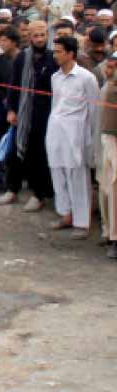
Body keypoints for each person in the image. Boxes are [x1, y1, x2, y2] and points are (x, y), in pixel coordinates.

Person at [0, 21, 57, 210]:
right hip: (22, 115)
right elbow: (14, 86)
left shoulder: (53, 58)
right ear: (29, 37)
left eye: (43, 35)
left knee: (38, 156)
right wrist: (11, 110)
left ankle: (38, 194)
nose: (40, 39)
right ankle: (12, 189)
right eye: (36, 35)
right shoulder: (23, 57)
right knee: (14, 154)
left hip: (44, 115)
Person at [46, 36, 100, 239]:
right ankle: (65, 213)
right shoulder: (55, 77)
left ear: (71, 54)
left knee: (77, 176)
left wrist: (91, 140)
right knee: (57, 172)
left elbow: (94, 111)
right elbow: (56, 106)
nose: (55, 55)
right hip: (56, 130)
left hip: (76, 133)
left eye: (59, 51)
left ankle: (82, 222)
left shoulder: (86, 78)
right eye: (55, 51)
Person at [99, 52, 117, 258]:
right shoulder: (110, 88)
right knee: (113, 186)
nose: (107, 70)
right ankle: (114, 237)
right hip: (112, 139)